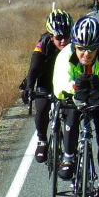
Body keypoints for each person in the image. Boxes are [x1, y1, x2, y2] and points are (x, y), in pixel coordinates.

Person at [53, 16, 99, 197]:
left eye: (92, 48)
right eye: (81, 48)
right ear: (74, 45)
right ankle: (68, 157)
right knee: (71, 115)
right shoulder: (66, 54)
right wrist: (74, 87)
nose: (86, 53)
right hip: (75, 95)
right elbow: (60, 82)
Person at [21, 10, 74, 162]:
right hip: (47, 79)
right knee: (42, 108)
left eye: (66, 36)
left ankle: (71, 149)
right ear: (51, 36)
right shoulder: (43, 42)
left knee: (70, 113)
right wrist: (29, 87)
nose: (63, 41)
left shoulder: (76, 44)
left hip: (66, 82)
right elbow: (34, 67)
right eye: (59, 37)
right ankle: (42, 140)